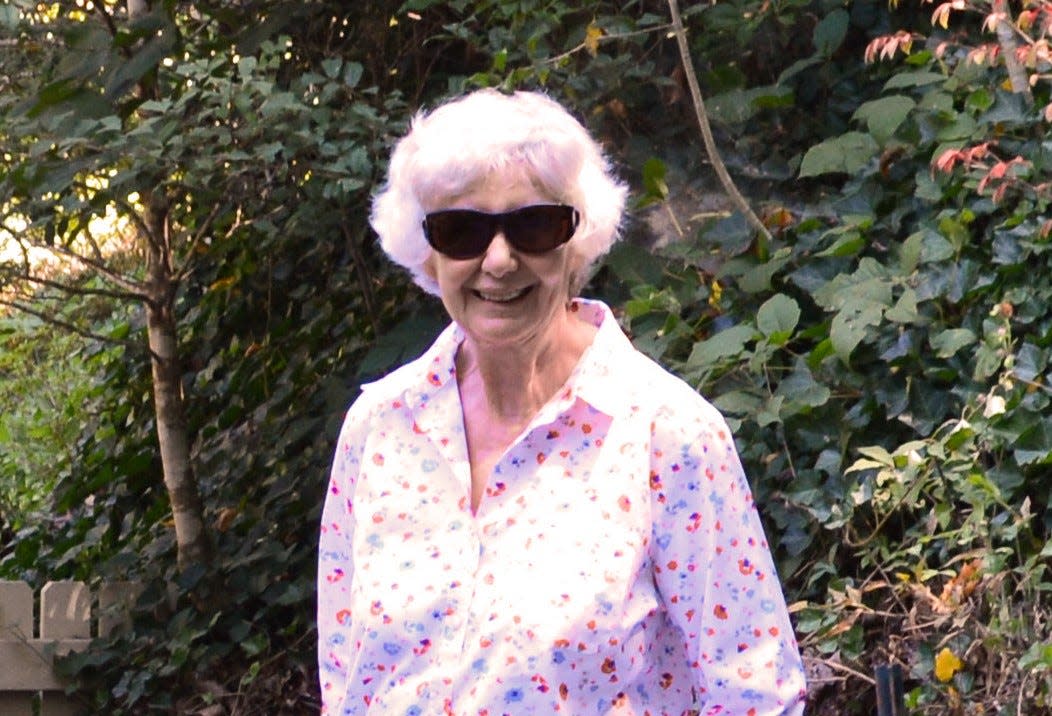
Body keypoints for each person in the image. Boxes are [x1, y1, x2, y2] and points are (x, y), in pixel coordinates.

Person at [317, 88, 807, 715]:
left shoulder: (668, 434)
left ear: (577, 239)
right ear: (428, 252)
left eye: (533, 225)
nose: (498, 260)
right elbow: (344, 682)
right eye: (461, 230)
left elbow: (755, 695)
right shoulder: (378, 429)